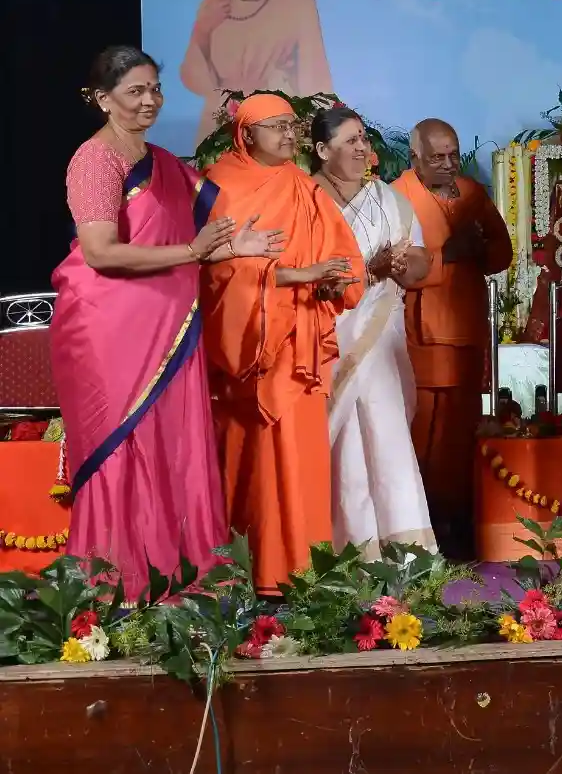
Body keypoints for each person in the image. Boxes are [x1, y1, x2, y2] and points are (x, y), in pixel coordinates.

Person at [52, 46, 282, 598]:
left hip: (170, 326)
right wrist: (194, 251)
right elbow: (103, 252)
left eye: (155, 87)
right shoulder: (93, 161)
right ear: (102, 99)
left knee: (174, 447)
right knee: (125, 447)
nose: (150, 99)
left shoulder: (163, 161)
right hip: (110, 333)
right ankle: (115, 591)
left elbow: (188, 247)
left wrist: (232, 247)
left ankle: (182, 583)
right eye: (135, 91)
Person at [202, 92, 364, 594]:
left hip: (300, 347)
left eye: (293, 126)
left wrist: (337, 280)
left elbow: (345, 257)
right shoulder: (217, 187)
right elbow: (215, 270)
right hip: (249, 351)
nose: (289, 135)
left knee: (301, 460)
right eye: (276, 127)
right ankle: (239, 575)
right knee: (248, 462)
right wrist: (299, 273)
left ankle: (300, 574)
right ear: (246, 135)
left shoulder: (305, 188)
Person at [311, 107, 438, 557]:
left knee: (388, 438)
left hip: (383, 337)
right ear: (322, 150)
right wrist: (371, 268)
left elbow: (421, 262)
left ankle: (407, 556)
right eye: (349, 141)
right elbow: (305, 275)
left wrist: (406, 265)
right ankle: (347, 551)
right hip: (329, 336)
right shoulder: (307, 199)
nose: (362, 148)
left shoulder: (390, 200)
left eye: (364, 138)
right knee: (343, 445)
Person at [391, 119, 512, 559]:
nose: (447, 164)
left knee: (460, 435)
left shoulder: (473, 194)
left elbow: (501, 254)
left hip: (466, 328)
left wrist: (478, 248)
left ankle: (458, 525)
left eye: (453, 155)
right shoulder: (397, 195)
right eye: (436, 157)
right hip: (419, 333)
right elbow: (394, 267)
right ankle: (419, 529)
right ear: (415, 158)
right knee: (422, 434)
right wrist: (449, 255)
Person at [182, 0, 333, 147]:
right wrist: (203, 29)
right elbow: (192, 77)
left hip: (279, 133)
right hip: (220, 133)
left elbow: (316, 80)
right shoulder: (212, 3)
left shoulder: (298, 1)